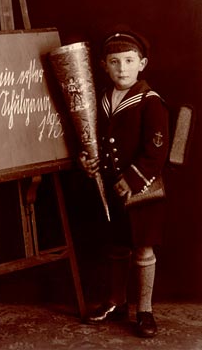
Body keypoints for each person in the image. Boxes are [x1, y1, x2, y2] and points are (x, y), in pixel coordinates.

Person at [79, 28, 170, 337]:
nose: (122, 68)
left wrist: (131, 180)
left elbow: (156, 151)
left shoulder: (150, 101)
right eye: (115, 62)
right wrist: (91, 161)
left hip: (143, 192)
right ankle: (116, 301)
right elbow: (100, 142)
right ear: (104, 65)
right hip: (112, 189)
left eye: (129, 61)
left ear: (142, 63)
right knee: (117, 247)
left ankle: (145, 310)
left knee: (143, 250)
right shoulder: (102, 99)